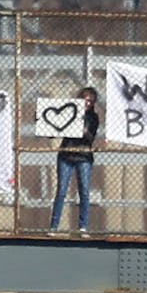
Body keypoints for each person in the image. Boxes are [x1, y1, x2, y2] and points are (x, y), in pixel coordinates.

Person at [50, 86, 99, 234]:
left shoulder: (93, 117)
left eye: (90, 101)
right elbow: (53, 131)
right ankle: (53, 226)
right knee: (61, 191)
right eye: (84, 100)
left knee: (84, 191)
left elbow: (91, 137)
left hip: (83, 156)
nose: (87, 103)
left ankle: (82, 227)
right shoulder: (69, 112)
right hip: (66, 154)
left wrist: (84, 131)